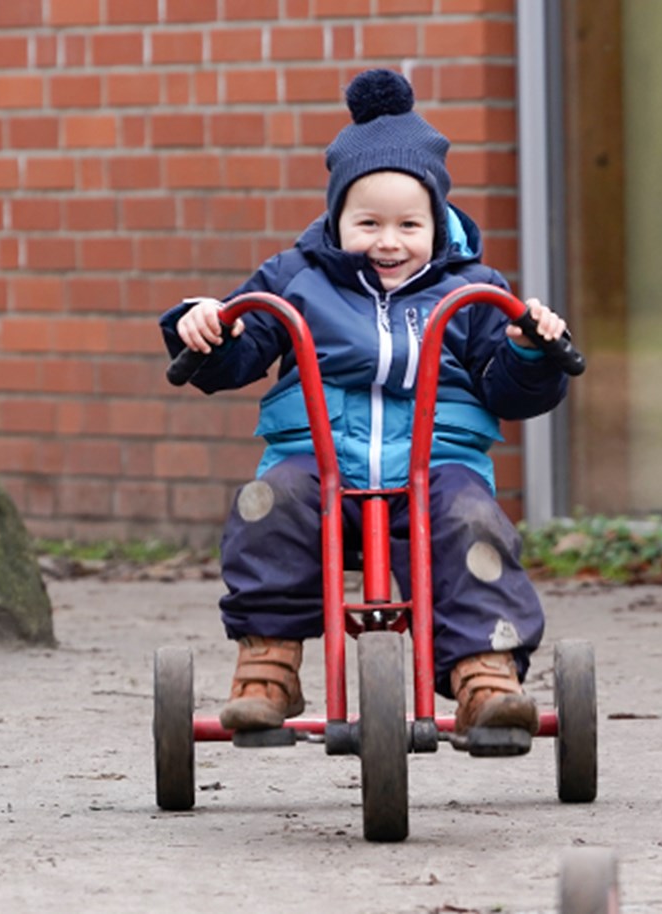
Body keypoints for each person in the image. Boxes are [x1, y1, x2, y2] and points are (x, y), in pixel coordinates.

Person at [158, 69, 572, 749]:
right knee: (267, 501)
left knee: (472, 520)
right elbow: (239, 344)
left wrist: (531, 349)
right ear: (335, 220)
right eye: (368, 223)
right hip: (320, 469)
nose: (389, 240)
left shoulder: (473, 289)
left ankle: (485, 674)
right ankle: (268, 664)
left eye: (409, 224)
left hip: (437, 469)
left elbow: (508, 388)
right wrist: (205, 325)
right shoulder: (296, 278)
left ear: (436, 224)